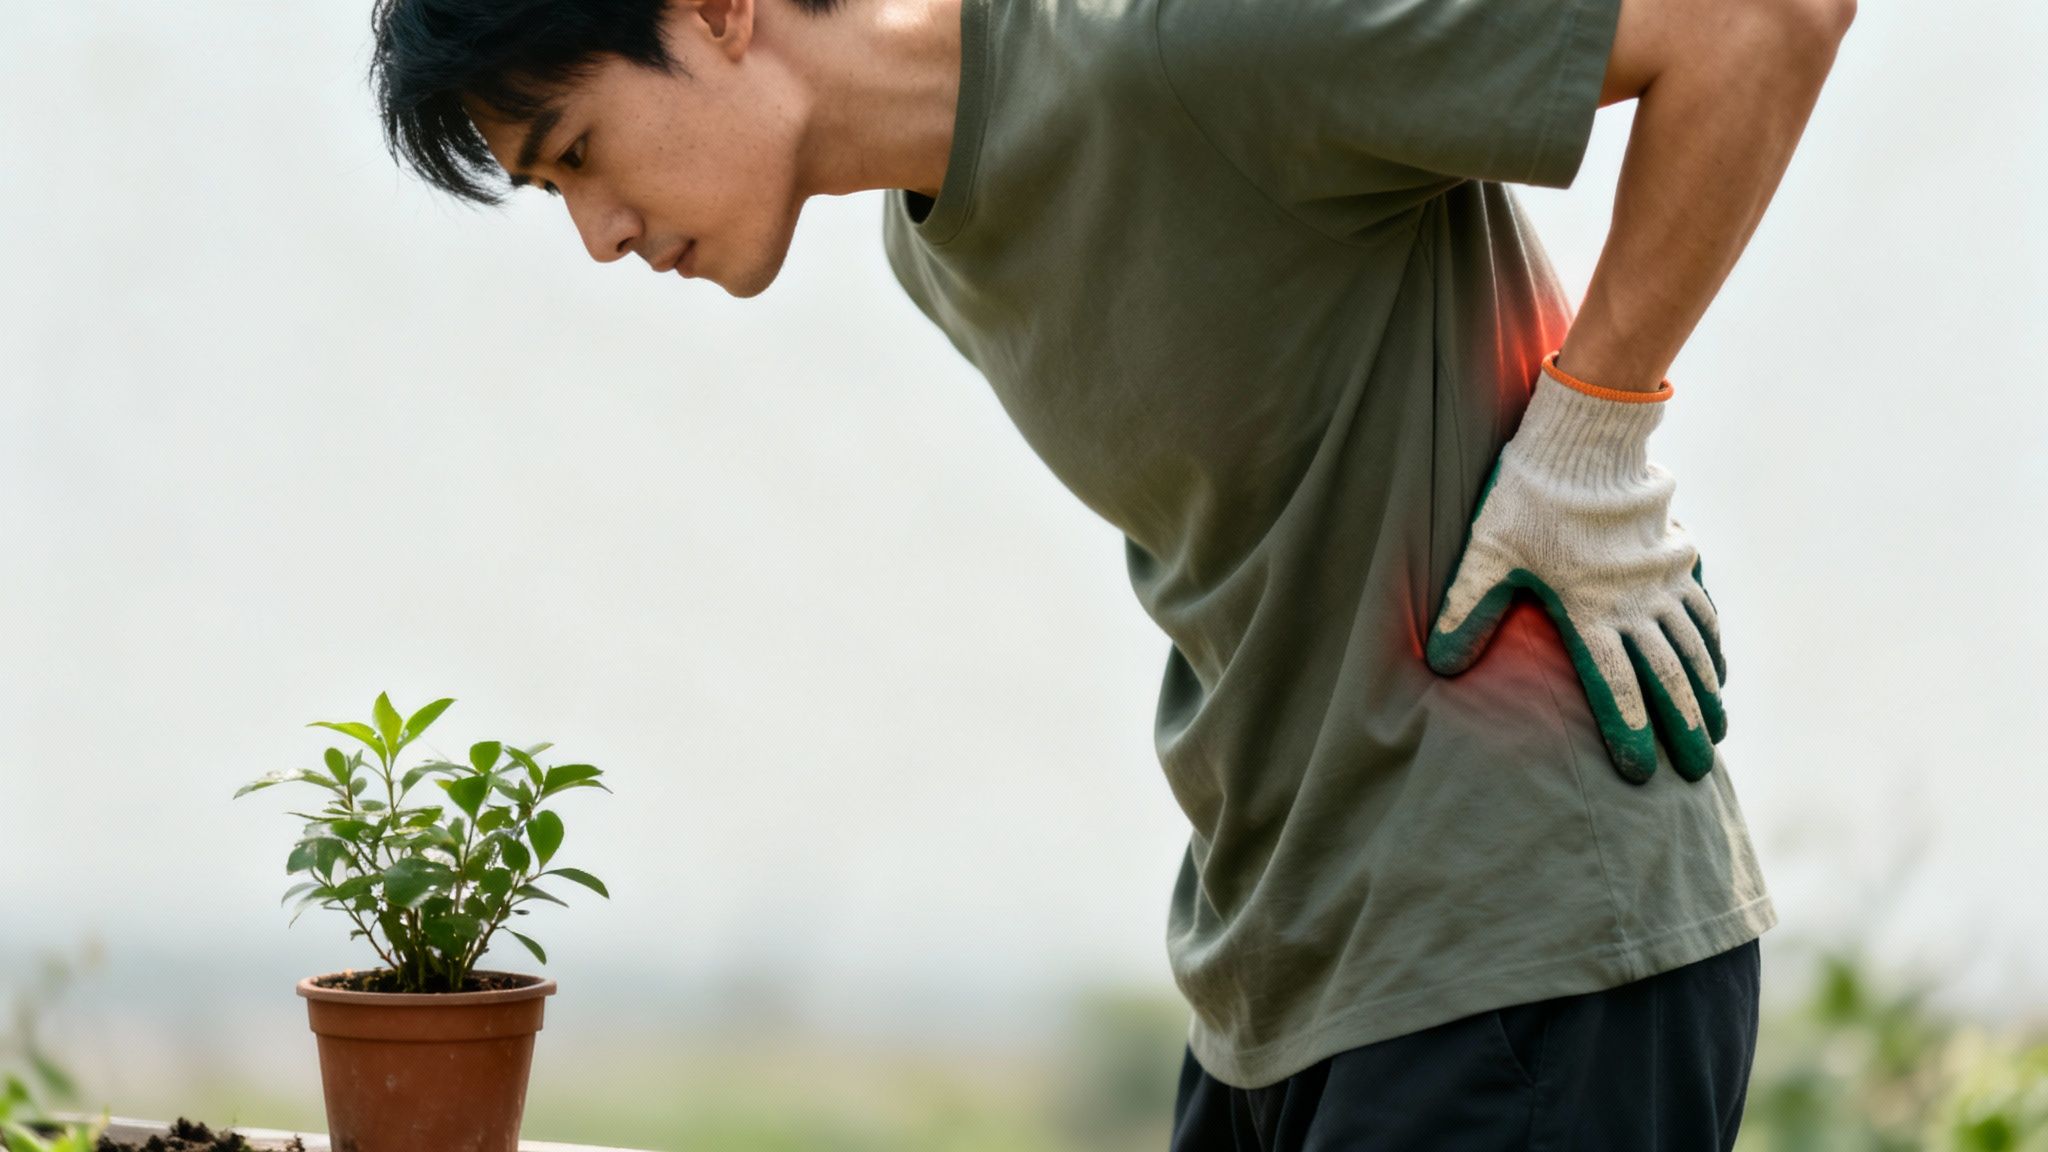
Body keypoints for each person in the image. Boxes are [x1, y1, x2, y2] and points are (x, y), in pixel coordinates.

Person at [365, 0, 1852, 1144]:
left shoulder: (1176, 41)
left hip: (1518, 942)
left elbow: (1759, 17)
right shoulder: (934, 244)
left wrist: (1593, 428)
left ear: (719, 9)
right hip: (1277, 974)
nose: (599, 235)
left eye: (575, 153)